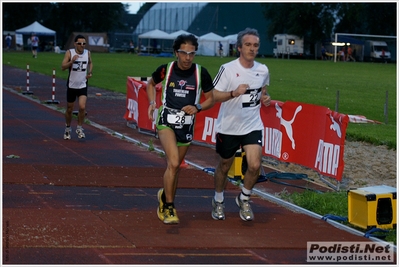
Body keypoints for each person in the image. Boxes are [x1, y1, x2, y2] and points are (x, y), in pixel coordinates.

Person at [147, 34, 214, 224]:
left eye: (192, 54)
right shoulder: (166, 70)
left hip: (186, 125)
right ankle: (168, 206)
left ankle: (165, 197)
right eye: (184, 53)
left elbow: (211, 99)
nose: (187, 58)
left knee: (174, 169)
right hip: (166, 120)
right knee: (174, 163)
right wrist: (152, 102)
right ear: (176, 52)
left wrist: (198, 107)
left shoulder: (201, 73)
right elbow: (150, 84)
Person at [211, 28, 271, 222]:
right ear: (239, 47)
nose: (252, 49)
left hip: (252, 124)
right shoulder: (228, 69)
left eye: (255, 45)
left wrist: (265, 98)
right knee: (225, 165)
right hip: (229, 126)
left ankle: (244, 198)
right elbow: (212, 95)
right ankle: (218, 200)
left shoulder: (263, 69)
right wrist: (233, 93)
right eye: (248, 45)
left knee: (254, 165)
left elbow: (262, 91)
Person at [61, 34, 93, 140]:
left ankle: (79, 128)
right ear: (75, 44)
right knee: (70, 109)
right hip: (72, 85)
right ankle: (67, 128)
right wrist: (71, 61)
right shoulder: (70, 53)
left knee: (82, 107)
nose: (82, 45)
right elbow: (62, 67)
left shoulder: (87, 53)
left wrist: (90, 72)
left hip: (83, 84)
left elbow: (90, 63)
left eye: (84, 43)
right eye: (79, 43)